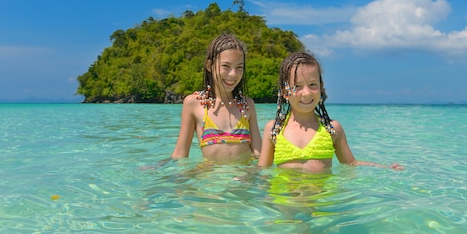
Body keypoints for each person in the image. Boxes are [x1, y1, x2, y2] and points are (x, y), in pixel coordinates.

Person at [258, 52, 403, 173]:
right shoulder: (274, 129)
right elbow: (262, 169)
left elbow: (351, 163)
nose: (307, 93)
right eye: (297, 86)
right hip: (284, 202)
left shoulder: (332, 129)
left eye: (313, 85)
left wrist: (385, 168)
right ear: (284, 92)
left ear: (321, 87)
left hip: (322, 202)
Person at [171, 34, 262, 162]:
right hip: (210, 179)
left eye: (239, 67)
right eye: (226, 66)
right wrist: (159, 169)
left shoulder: (247, 104)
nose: (233, 74)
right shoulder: (194, 103)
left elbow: (258, 154)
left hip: (242, 178)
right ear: (209, 66)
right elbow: (180, 154)